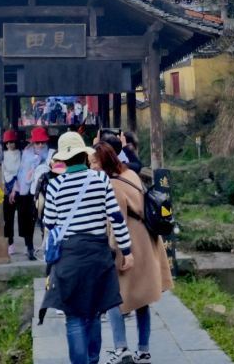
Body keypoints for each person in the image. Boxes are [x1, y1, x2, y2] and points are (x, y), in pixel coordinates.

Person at [39, 132, 133, 364]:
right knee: (93, 313)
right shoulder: (100, 180)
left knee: (73, 317)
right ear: (83, 154)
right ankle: (92, 359)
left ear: (63, 159)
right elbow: (116, 218)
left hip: (69, 257)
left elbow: (49, 223)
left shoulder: (54, 186)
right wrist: (127, 251)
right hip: (97, 256)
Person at [91, 141, 173, 364]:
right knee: (142, 298)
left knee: (114, 297)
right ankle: (144, 350)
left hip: (129, 242)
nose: (93, 167)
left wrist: (115, 250)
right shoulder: (131, 174)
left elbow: (116, 221)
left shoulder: (113, 185)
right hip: (147, 238)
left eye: (95, 163)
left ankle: (121, 348)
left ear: (104, 162)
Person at [10, 127, 54, 261]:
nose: (40, 145)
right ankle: (29, 247)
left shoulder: (51, 154)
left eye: (42, 142)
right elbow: (20, 172)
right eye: (37, 142)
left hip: (44, 191)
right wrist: (14, 189)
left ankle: (46, 247)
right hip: (26, 191)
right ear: (33, 142)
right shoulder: (26, 154)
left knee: (45, 220)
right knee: (26, 220)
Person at [2, 129, 22, 256]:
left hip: (19, 187)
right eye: (8, 142)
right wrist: (4, 187)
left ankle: (27, 244)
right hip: (6, 188)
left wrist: (15, 188)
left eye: (12, 142)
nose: (10, 144)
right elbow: (2, 171)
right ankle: (10, 243)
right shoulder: (2, 155)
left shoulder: (21, 154)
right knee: (7, 219)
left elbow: (21, 171)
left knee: (22, 217)